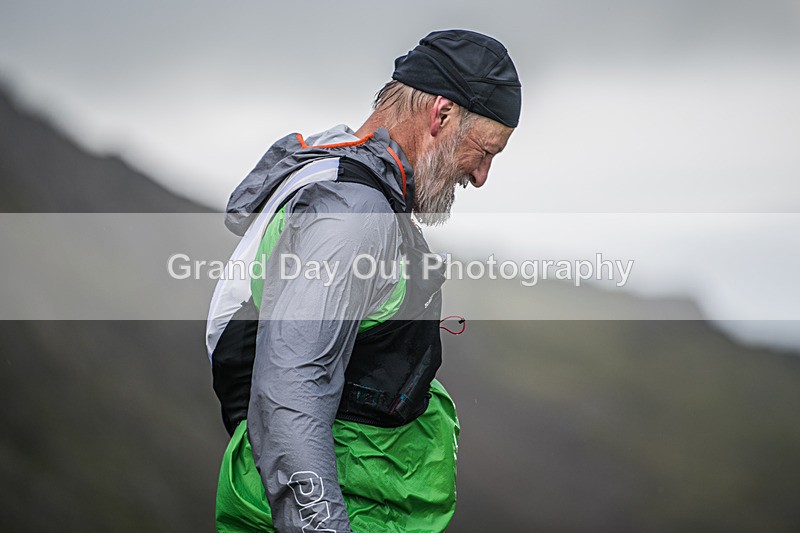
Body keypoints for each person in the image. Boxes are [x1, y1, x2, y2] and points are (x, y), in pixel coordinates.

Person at [206, 29, 521, 532]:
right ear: (441, 114)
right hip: (342, 513)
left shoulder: (356, 188)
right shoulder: (354, 213)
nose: (480, 176)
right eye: (484, 152)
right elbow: (290, 394)